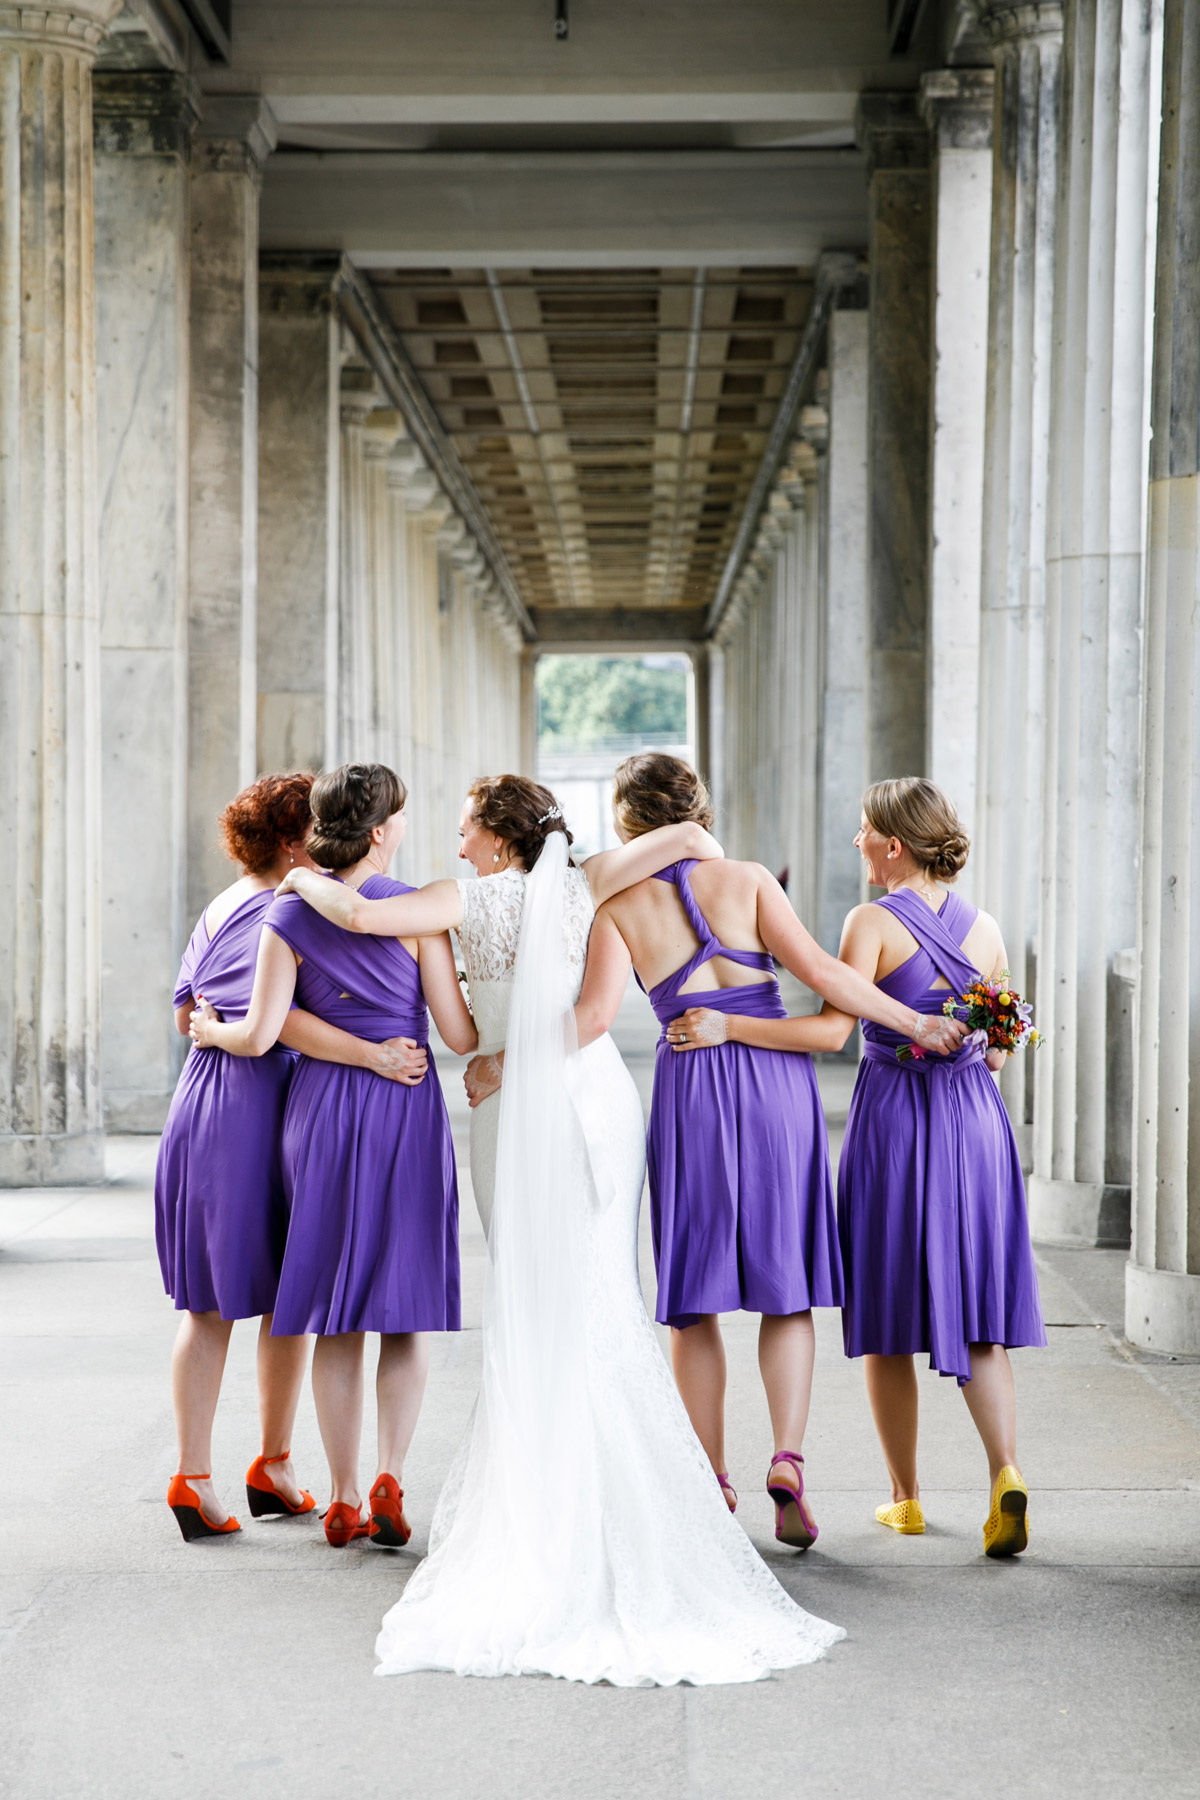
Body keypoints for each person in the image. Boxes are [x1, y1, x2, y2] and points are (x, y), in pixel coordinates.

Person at [277, 774, 845, 1686]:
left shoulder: (459, 900)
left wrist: (296, 875)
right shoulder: (588, 880)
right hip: (598, 1102)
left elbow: (361, 925)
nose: (457, 844)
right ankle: (651, 1504)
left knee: (538, 1308)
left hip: (521, 1108)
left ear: (498, 838)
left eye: (465, 830)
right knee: (603, 1294)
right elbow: (685, 851)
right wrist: (686, 840)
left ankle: (551, 1507)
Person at [566, 753, 966, 1552]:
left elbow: (593, 1016)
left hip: (693, 1088)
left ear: (627, 819)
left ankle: (711, 1477)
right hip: (778, 1091)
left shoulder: (615, 905)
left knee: (693, 1303)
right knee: (786, 1293)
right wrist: (917, 1022)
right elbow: (820, 973)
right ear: (695, 811)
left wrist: (508, 1062)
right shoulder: (747, 880)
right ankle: (786, 1456)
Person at [669, 777, 1046, 1559]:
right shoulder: (989, 929)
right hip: (976, 1120)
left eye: (864, 830)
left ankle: (906, 1500)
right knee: (980, 1312)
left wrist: (727, 1025)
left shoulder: (869, 922)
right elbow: (1003, 1047)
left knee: (885, 1320)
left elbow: (831, 1032)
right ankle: (1005, 1471)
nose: (855, 843)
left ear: (893, 845)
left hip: (897, 1122)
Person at [190, 764, 475, 1550]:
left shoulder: (287, 910)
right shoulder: (415, 910)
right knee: (402, 1313)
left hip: (319, 1110)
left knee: (337, 1314)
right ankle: (389, 1472)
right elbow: (455, 1034)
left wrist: (347, 1053)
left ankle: (345, 1494)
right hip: (405, 1106)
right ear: (380, 830)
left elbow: (270, 1028)